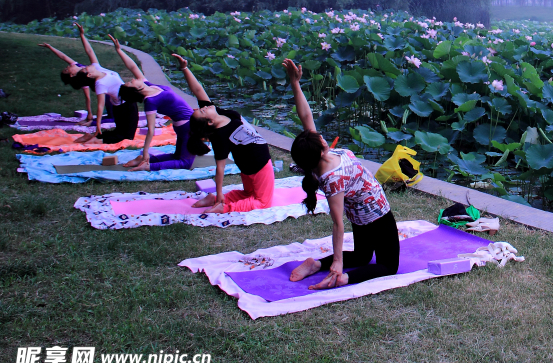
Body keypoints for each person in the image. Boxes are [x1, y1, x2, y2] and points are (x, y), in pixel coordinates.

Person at [284, 59, 399, 290]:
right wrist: (337, 263)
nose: (322, 138)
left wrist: (295, 83)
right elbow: (337, 224)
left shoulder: (316, 152)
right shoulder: (331, 179)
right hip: (376, 211)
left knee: (362, 257)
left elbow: (306, 116)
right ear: (319, 150)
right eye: (321, 140)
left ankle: (316, 264)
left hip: (359, 213)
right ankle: (342, 278)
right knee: (388, 266)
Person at [171, 54, 275, 214]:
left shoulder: (218, 114)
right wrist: (220, 193)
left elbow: (198, 90)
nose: (202, 107)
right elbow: (220, 169)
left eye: (200, 108)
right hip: (260, 164)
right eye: (202, 111)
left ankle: (213, 199)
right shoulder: (219, 135)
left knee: (248, 193)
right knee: (263, 202)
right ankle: (224, 206)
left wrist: (184, 68)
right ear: (209, 122)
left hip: (248, 166)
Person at [107, 37, 197, 171]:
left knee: (178, 156)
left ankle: (145, 161)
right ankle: (147, 165)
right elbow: (150, 129)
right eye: (130, 82)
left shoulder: (149, 86)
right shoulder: (150, 101)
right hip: (188, 127)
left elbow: (132, 67)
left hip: (186, 125)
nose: (132, 79)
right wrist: (145, 151)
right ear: (136, 89)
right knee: (185, 163)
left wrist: (119, 50)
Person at [40, 22, 139, 144]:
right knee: (127, 137)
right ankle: (96, 140)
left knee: (122, 132)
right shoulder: (99, 83)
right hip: (124, 106)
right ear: (89, 74)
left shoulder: (96, 68)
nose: (87, 66)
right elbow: (100, 106)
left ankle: (93, 136)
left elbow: (89, 51)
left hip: (125, 102)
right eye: (86, 69)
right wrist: (97, 124)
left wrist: (82, 35)